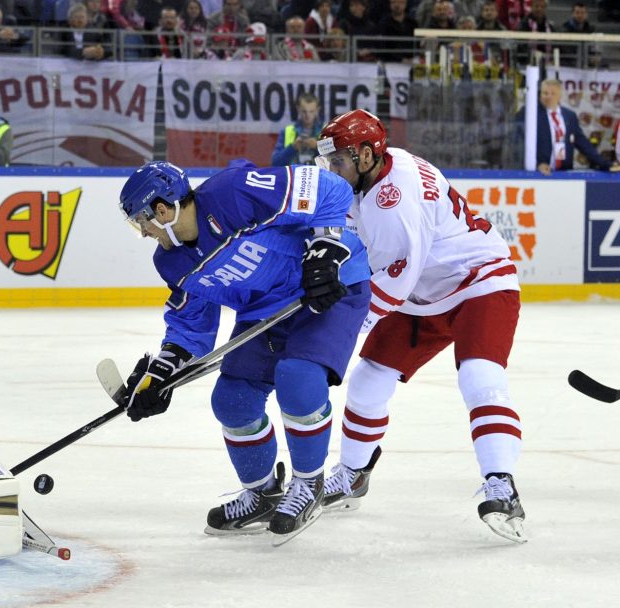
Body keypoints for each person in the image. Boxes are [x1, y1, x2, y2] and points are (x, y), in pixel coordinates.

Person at [117, 160, 371, 544]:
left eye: (143, 221)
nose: (144, 231)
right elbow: (192, 324)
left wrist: (327, 247)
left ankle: (308, 485)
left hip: (326, 287)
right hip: (268, 310)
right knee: (233, 400)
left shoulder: (233, 192)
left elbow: (331, 187)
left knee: (298, 379)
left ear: (163, 209)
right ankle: (263, 493)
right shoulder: (171, 260)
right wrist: (162, 371)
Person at [314, 109, 528, 543]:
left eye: (338, 161)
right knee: (369, 379)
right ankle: (353, 474)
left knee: (479, 375)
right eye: (328, 162)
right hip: (423, 292)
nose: (332, 171)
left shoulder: (394, 198)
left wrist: (338, 331)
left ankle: (501, 486)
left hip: (479, 282)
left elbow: (393, 281)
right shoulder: (371, 177)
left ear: (368, 154)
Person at [534, 79, 619, 174]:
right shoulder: (531, 115)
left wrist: (605, 164)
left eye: (553, 94)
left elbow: (583, 143)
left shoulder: (569, 116)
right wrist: (538, 164)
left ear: (559, 96)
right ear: (540, 95)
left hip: (563, 173)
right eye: (545, 93)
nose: (548, 97)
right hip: (538, 173)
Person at [271, 93, 323, 166]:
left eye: (311, 111)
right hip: (294, 176)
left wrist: (317, 147)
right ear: (298, 109)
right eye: (304, 111)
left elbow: (333, 159)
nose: (307, 115)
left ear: (317, 110)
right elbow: (275, 162)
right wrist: (293, 148)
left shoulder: (326, 131)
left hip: (319, 176)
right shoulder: (286, 131)